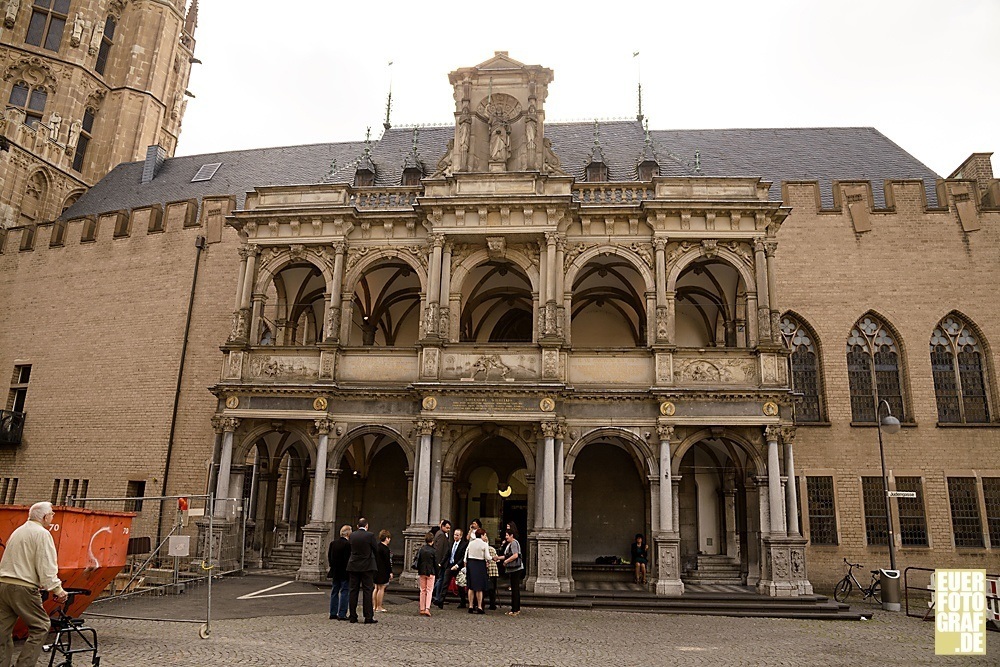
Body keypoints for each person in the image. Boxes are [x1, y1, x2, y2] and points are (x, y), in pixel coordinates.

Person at [0, 502, 67, 667]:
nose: (53, 516)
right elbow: (46, 566)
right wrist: (57, 589)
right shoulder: (42, 534)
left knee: (3, 630)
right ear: (45, 517)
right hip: (23, 588)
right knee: (41, 625)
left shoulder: (18, 532)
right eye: (52, 513)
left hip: (3, 585)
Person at [346, 518, 378, 624]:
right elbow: (376, 549)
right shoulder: (370, 535)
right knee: (367, 591)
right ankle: (368, 616)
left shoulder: (352, 535)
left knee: (353, 591)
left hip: (354, 565)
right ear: (367, 526)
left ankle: (352, 616)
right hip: (367, 566)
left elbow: (350, 549)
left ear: (357, 526)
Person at [433, 527, 466, 610]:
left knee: (460, 585)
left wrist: (457, 565)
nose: (455, 536)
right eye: (455, 535)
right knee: (445, 583)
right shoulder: (451, 543)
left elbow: (463, 557)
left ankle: (463, 601)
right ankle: (441, 601)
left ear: (461, 536)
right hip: (450, 565)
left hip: (458, 567)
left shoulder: (464, 544)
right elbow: (447, 554)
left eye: (457, 535)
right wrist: (442, 562)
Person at [327, 524, 352, 620]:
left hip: (335, 570)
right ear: (348, 533)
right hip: (344, 571)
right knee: (344, 592)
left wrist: (332, 566)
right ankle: (342, 613)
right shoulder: (347, 545)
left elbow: (329, 557)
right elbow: (348, 559)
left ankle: (333, 612)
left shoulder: (333, 543)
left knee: (334, 591)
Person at [498, 527, 523, 616]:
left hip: (515, 569)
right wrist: (498, 558)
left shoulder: (514, 543)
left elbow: (515, 555)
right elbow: (507, 555)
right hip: (513, 569)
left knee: (515, 589)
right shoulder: (510, 543)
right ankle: (516, 608)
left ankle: (515, 609)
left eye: (507, 535)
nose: (506, 537)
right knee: (515, 589)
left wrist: (506, 561)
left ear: (512, 535)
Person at [464, 528, 489, 614]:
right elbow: (487, 556)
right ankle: (479, 606)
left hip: (471, 563)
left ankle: (470, 606)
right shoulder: (484, 544)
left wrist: (465, 562)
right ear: (481, 535)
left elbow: (466, 553)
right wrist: (494, 558)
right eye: (485, 535)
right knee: (479, 587)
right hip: (480, 564)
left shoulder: (471, 543)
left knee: (471, 586)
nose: (485, 537)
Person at [415, 531, 438, 617]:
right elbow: (435, 563)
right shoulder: (433, 551)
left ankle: (422, 608)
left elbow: (418, 560)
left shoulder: (421, 549)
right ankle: (427, 608)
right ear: (432, 540)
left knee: (422, 590)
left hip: (422, 571)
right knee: (429, 590)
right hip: (430, 572)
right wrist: (437, 573)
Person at [430, 519, 451, 605]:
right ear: (442, 526)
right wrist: (440, 562)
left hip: (441, 561)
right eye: (447, 528)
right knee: (440, 579)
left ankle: (435, 595)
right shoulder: (441, 535)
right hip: (441, 561)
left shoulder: (441, 534)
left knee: (440, 579)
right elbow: (439, 550)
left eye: (449, 528)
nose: (448, 529)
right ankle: (436, 596)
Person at [373, 529, 393, 613]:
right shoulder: (385, 549)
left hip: (376, 569)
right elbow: (387, 562)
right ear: (387, 538)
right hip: (383, 571)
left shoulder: (376, 546)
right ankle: (379, 606)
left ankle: (374, 606)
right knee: (381, 588)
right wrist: (390, 572)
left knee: (376, 588)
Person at [484, 534, 500, 611]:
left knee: (488, 588)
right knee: (492, 589)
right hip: (494, 570)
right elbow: (497, 559)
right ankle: (492, 604)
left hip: (488, 570)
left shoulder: (485, 549)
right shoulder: (492, 549)